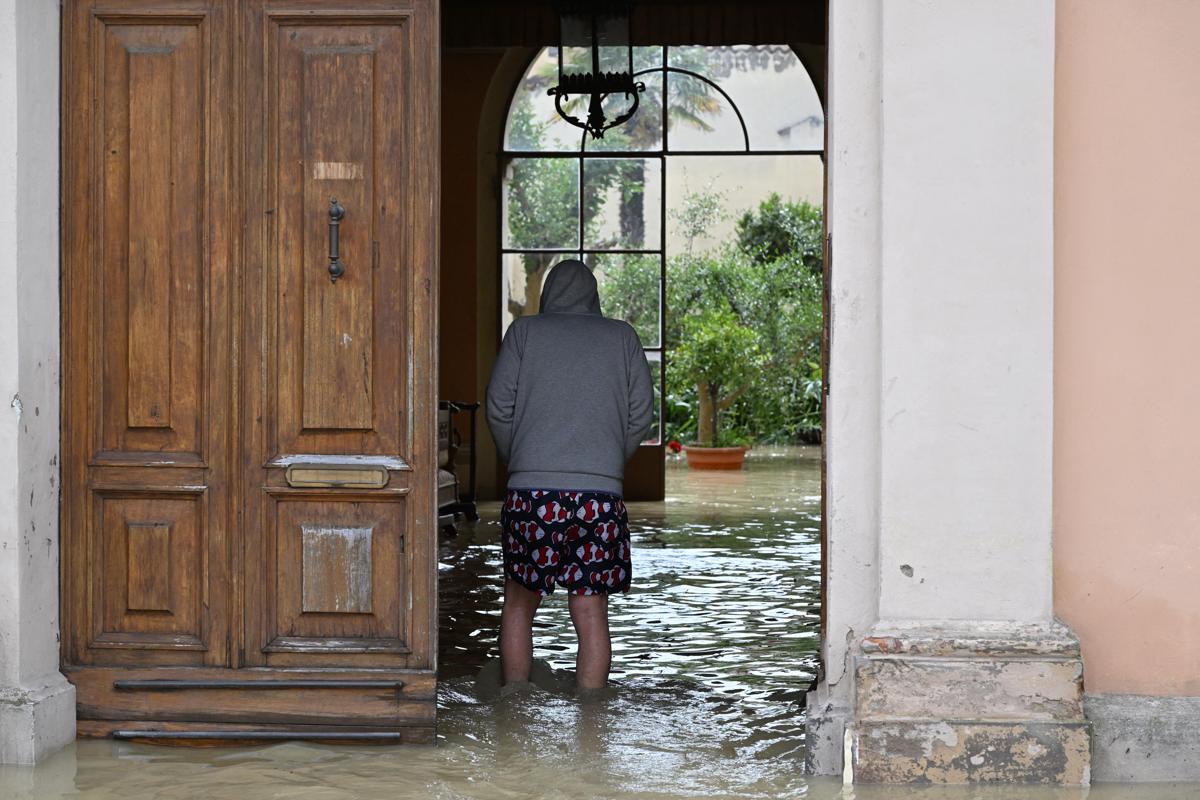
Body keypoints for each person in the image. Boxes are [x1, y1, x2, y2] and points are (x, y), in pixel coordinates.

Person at [485, 259, 654, 690]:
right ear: (593, 296)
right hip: (599, 497)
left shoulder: (523, 333)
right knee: (590, 607)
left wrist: (521, 460)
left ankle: (515, 708)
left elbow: (499, 408)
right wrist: (607, 465)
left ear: (547, 296)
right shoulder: (623, 338)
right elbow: (640, 418)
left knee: (520, 604)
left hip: (531, 495)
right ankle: (592, 720)